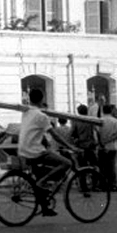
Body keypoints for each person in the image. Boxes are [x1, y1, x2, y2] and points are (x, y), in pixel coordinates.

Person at [18, 88, 76, 216]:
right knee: (66, 163)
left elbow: (34, 131)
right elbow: (55, 135)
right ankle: (42, 182)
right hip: (34, 151)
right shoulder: (41, 116)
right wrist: (70, 146)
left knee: (40, 175)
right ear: (41, 99)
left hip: (23, 150)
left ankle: (45, 207)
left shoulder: (25, 112)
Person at [98, 104, 117, 191]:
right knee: (112, 166)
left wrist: (102, 142)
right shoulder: (116, 122)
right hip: (113, 146)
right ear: (111, 111)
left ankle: (103, 184)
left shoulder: (99, 121)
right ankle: (113, 184)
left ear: (103, 111)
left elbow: (97, 133)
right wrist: (108, 140)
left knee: (102, 167)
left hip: (102, 147)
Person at [70, 104, 99, 169]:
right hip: (91, 144)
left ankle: (83, 178)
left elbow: (72, 133)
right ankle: (94, 177)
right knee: (93, 164)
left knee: (82, 165)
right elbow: (96, 130)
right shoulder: (91, 120)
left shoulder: (76, 121)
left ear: (79, 112)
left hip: (81, 144)